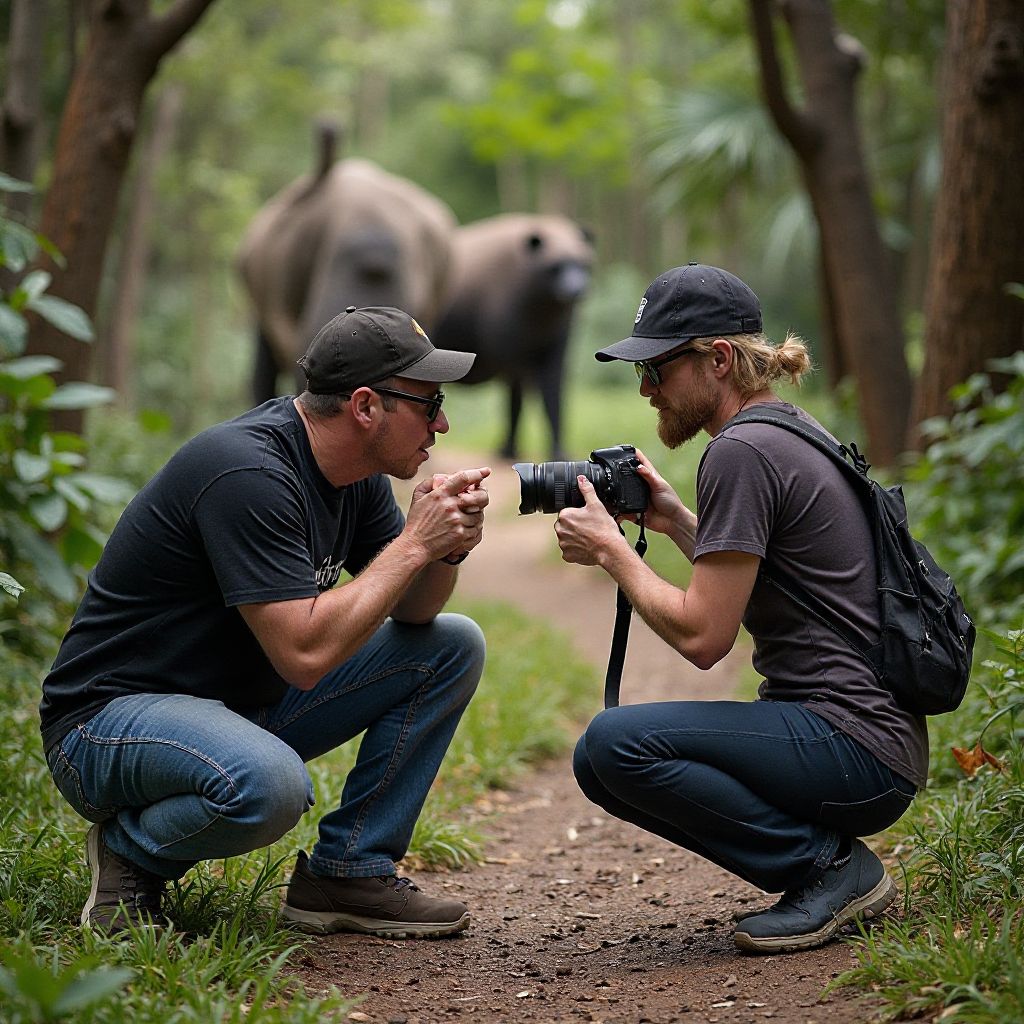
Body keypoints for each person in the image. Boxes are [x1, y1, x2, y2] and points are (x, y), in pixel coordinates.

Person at [40, 305, 491, 939]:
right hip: (106, 723)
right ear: (366, 407)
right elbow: (304, 655)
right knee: (271, 784)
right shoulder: (247, 471)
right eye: (430, 402)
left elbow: (416, 610)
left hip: (233, 709)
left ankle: (349, 871)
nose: (441, 423)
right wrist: (415, 544)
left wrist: (445, 549)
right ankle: (128, 852)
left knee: (449, 645)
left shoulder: (352, 474)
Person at [553, 264, 927, 954]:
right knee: (597, 759)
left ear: (717, 359)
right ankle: (826, 864)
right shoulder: (783, 428)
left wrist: (614, 551)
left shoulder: (741, 453)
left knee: (613, 744)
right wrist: (672, 523)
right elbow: (772, 581)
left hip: (852, 744)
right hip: (872, 744)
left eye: (657, 370)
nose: (645, 390)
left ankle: (831, 870)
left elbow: (703, 637)